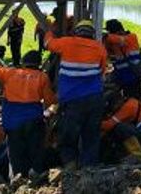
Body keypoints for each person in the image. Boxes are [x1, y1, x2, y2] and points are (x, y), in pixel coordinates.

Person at [0, 47, 55, 178]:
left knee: (15, 153)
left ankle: (18, 179)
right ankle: (36, 175)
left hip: (12, 122)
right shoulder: (42, 77)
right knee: (35, 149)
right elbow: (49, 101)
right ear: (38, 64)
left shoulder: (10, 73)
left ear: (23, 62)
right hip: (33, 120)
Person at [44, 19, 108, 166]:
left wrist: (49, 31)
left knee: (68, 136)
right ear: (92, 34)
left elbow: (47, 44)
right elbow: (102, 71)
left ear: (76, 32)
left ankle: (70, 166)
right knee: (91, 136)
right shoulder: (100, 48)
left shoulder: (66, 42)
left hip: (71, 101)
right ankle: (89, 169)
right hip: (94, 99)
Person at [100, 91, 141, 160]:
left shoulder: (128, 107)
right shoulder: (131, 101)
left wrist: (93, 123)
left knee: (121, 128)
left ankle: (138, 157)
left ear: (118, 102)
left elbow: (109, 125)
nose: (111, 110)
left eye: (111, 107)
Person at [103, 19, 141, 98]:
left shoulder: (129, 38)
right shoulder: (130, 37)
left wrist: (104, 37)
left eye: (109, 31)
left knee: (131, 99)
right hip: (129, 74)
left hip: (130, 76)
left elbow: (116, 39)